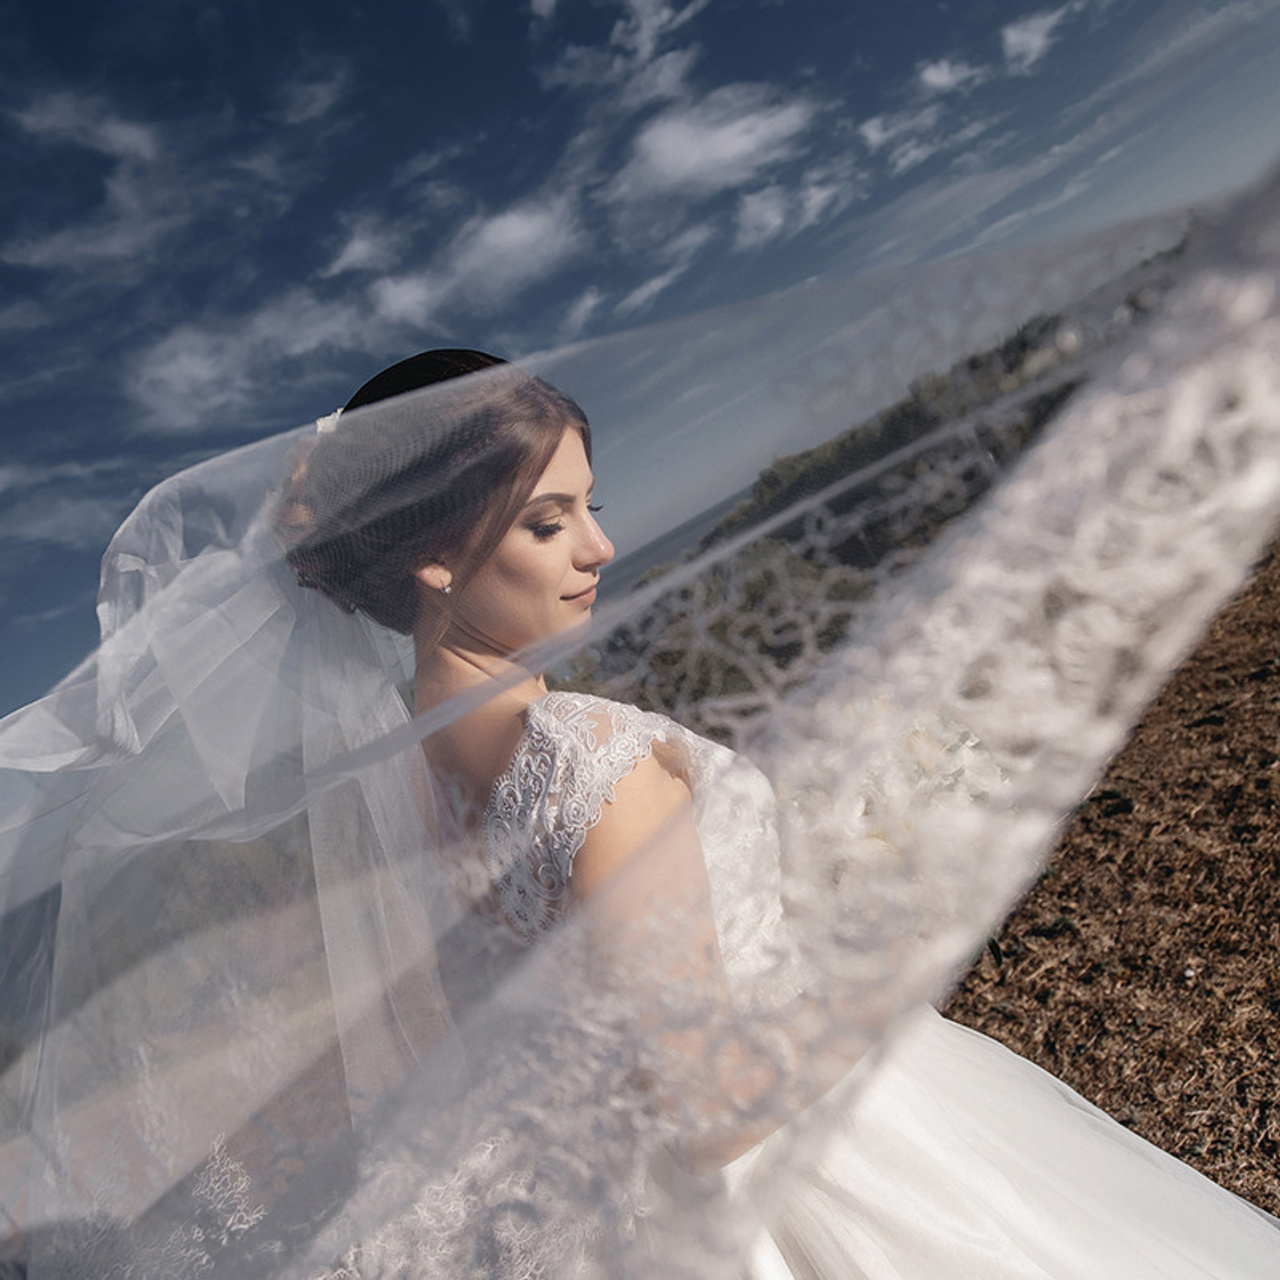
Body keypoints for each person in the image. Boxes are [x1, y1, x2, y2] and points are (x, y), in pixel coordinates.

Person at [3, 250, 1280, 1278]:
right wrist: (874, 961)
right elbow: (711, 1110)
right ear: (436, 556)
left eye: (592, 504)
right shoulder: (599, 765)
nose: (599, 546)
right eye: (549, 519)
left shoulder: (376, 776)